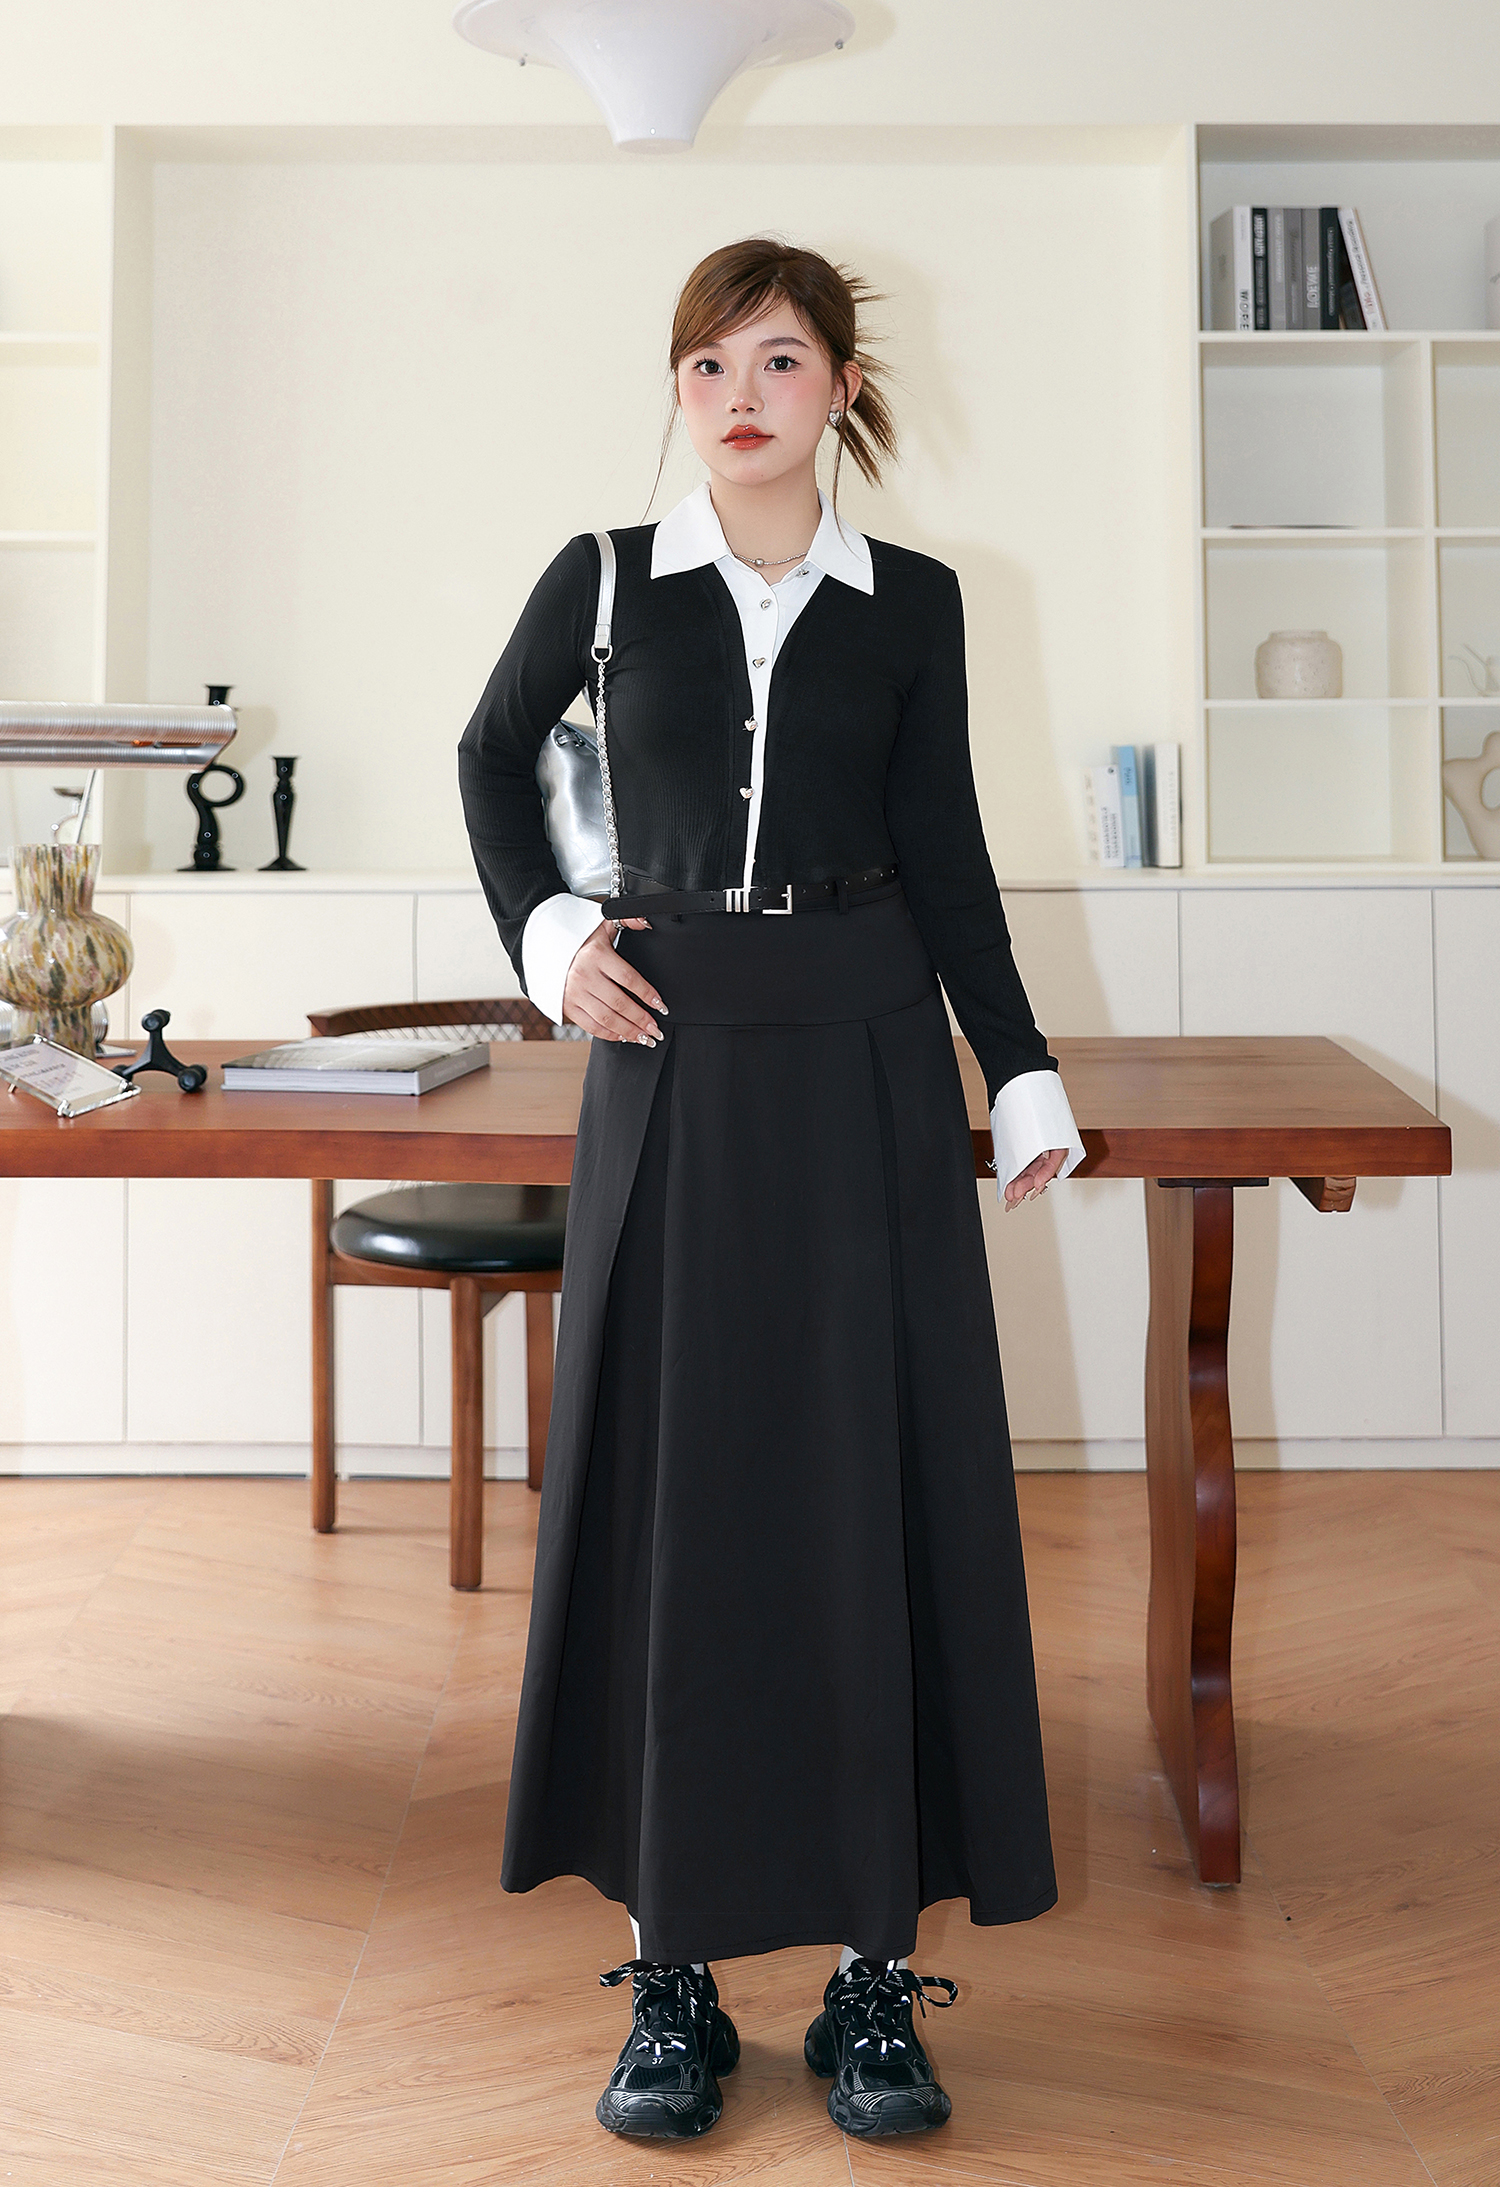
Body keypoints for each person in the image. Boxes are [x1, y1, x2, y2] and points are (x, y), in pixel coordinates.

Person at [458, 236, 1084, 2146]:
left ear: (842, 389)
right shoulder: (602, 580)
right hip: (673, 1059)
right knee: (678, 1502)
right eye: (712, 364)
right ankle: (672, 1977)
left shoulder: (915, 603)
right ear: (679, 390)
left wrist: (1020, 1068)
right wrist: (549, 939)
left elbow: (947, 847)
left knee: (865, 1493)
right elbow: (490, 760)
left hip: (869, 1057)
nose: (744, 397)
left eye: (784, 361)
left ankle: (875, 1977)